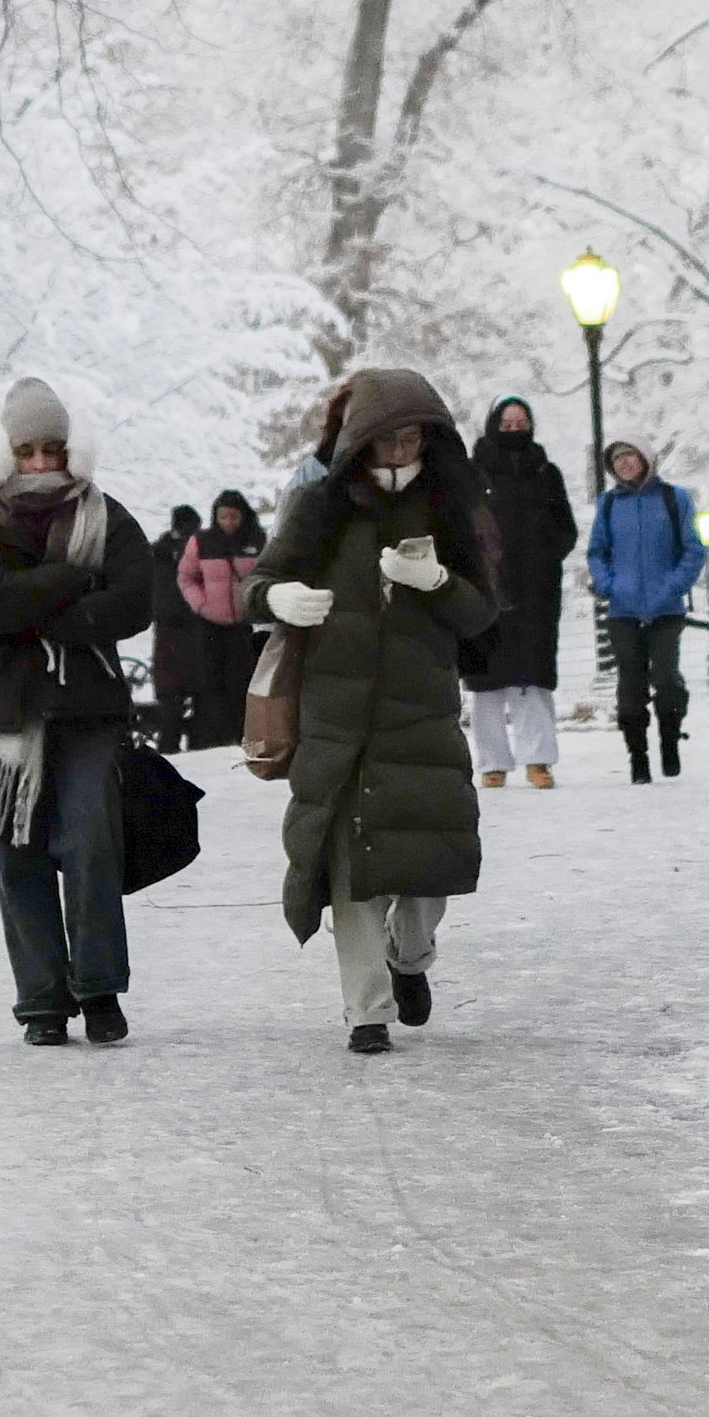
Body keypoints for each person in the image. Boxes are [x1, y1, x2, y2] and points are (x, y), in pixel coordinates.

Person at [260, 366, 495, 1053]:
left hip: (420, 715)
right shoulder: (321, 506)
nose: (400, 450)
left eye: (412, 436)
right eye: (386, 438)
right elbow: (261, 581)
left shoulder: (449, 508)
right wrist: (280, 599)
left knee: (427, 872)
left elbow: (482, 612)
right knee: (350, 870)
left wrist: (439, 581)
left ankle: (410, 957)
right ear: (358, 440)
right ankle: (366, 1008)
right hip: (338, 718)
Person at [0, 382, 154, 1046]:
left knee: (93, 841)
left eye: (52, 448)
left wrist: (35, 608)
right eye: (28, 450)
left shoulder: (107, 516)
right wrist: (71, 582)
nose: (41, 462)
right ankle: (41, 998)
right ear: (6, 453)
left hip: (89, 707)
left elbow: (133, 602)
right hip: (7, 712)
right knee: (16, 851)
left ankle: (98, 989)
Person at [467, 394, 579, 790]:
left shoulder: (546, 472)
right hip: (486, 588)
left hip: (536, 589)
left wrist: (545, 555)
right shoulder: (473, 472)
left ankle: (538, 760)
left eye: (521, 422)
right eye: (507, 423)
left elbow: (565, 526)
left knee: (532, 678)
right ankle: (492, 763)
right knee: (487, 683)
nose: (514, 429)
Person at [586, 439, 707, 784]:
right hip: (622, 611)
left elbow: (693, 549)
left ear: (645, 459)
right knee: (630, 684)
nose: (624, 463)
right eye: (617, 459)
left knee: (667, 678)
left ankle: (670, 740)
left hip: (666, 609)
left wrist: (672, 587)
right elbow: (597, 551)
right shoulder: (609, 504)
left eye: (630, 456)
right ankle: (637, 756)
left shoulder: (674, 498)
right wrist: (609, 585)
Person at [155, 493, 261, 746]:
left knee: (240, 681)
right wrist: (200, 604)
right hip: (209, 622)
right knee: (210, 682)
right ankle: (215, 737)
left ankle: (238, 735)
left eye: (233, 516)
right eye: (223, 516)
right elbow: (186, 577)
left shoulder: (256, 541)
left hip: (241, 623)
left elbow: (265, 573)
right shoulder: (202, 542)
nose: (228, 522)